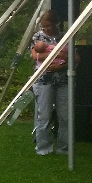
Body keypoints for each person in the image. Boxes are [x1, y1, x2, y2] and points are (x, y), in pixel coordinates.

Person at [30, 10, 72, 155]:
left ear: (55, 23)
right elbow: (36, 56)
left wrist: (61, 64)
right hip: (43, 80)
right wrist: (57, 54)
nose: (46, 29)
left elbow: (74, 57)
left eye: (48, 26)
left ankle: (64, 148)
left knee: (65, 116)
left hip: (62, 79)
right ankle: (43, 148)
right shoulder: (38, 37)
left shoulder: (65, 36)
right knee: (44, 115)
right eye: (43, 26)